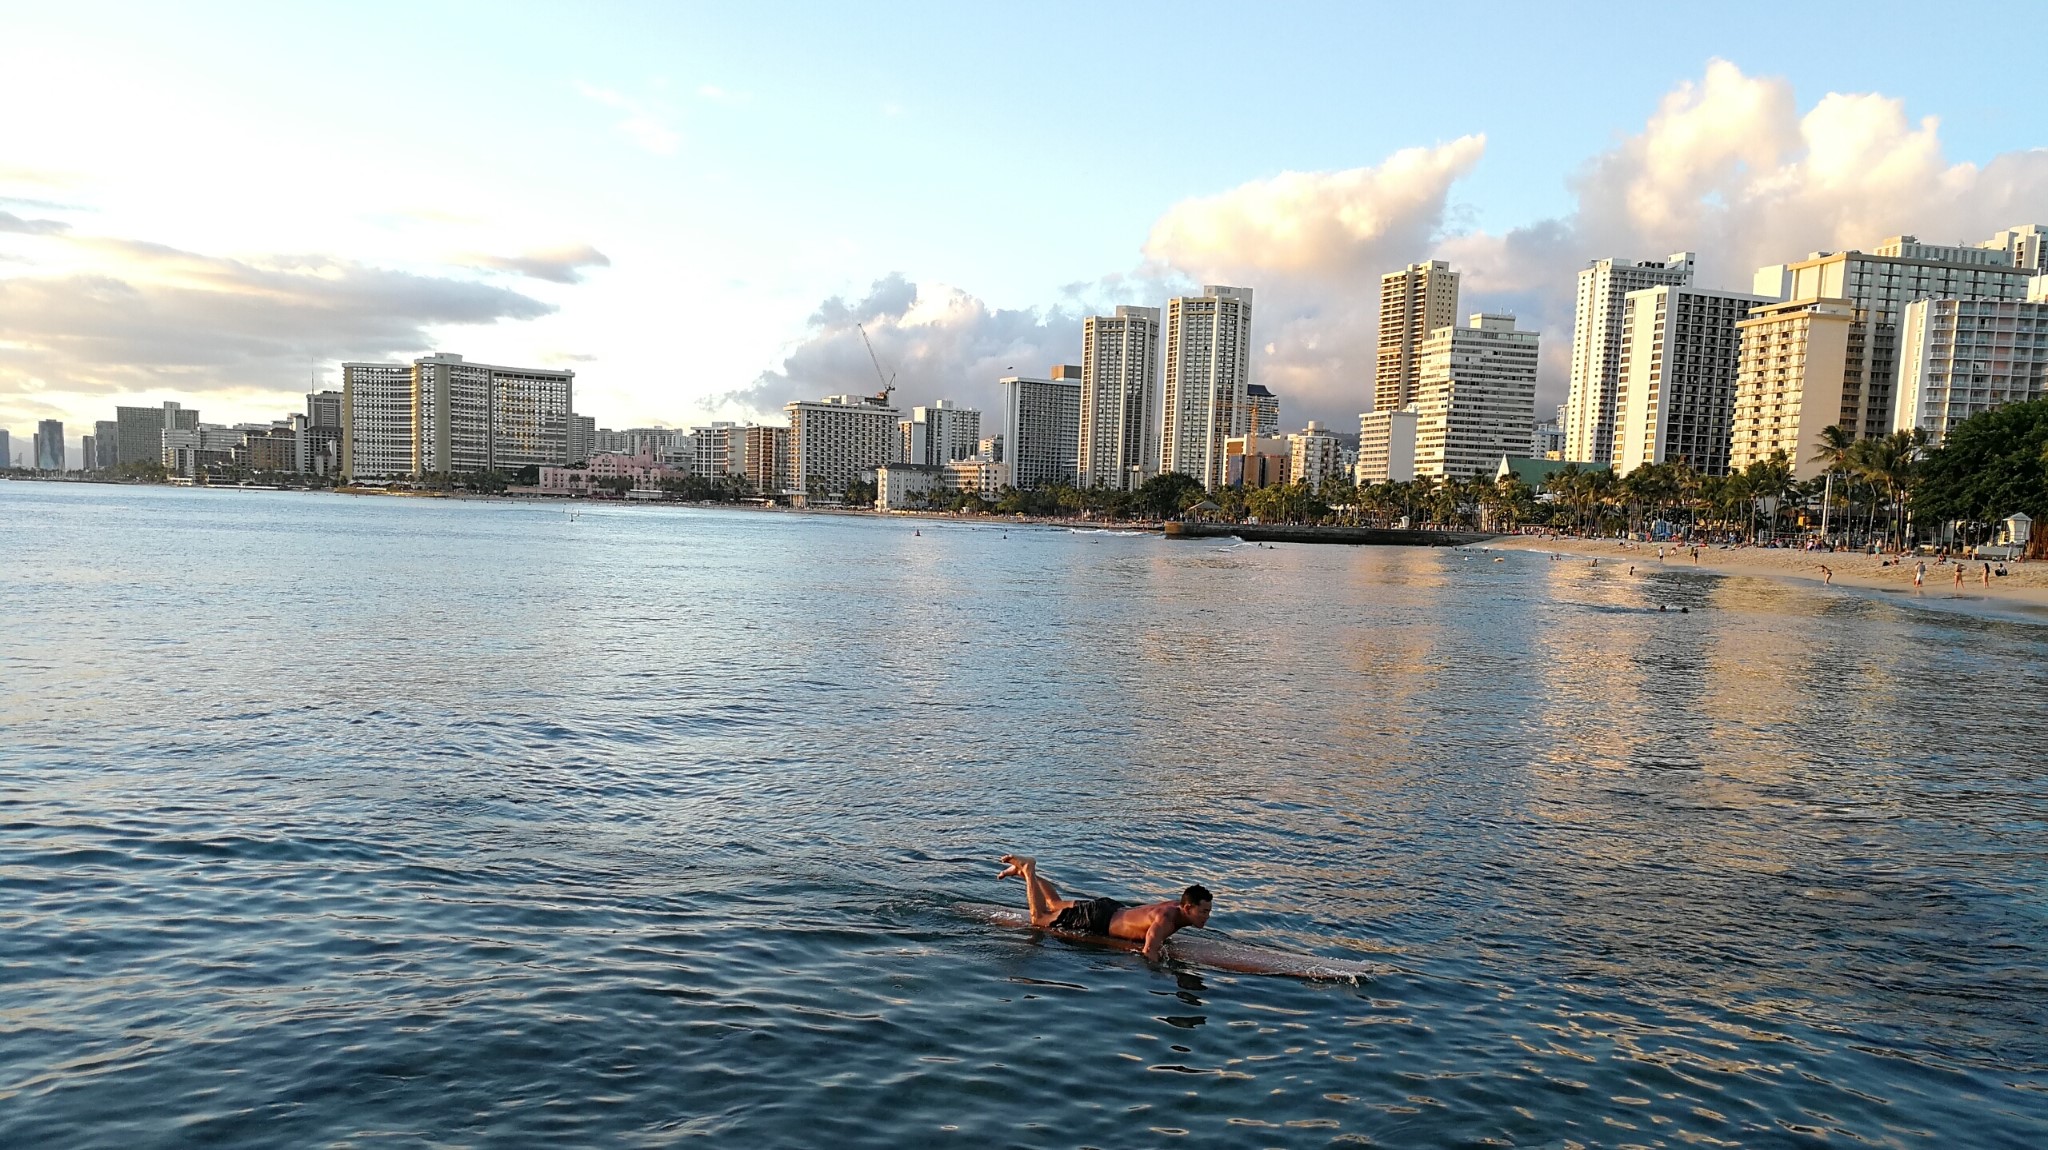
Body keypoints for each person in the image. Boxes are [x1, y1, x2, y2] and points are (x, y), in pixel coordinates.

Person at [997, 855, 1212, 962]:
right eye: (1203, 912)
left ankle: (1025, 874)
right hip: (1099, 920)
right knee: (1039, 919)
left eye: (1209, 911)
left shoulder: (1177, 905)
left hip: (1108, 908)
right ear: (1187, 907)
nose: (1207, 917)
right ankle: (1028, 868)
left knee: (1054, 904)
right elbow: (1149, 952)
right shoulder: (1166, 918)